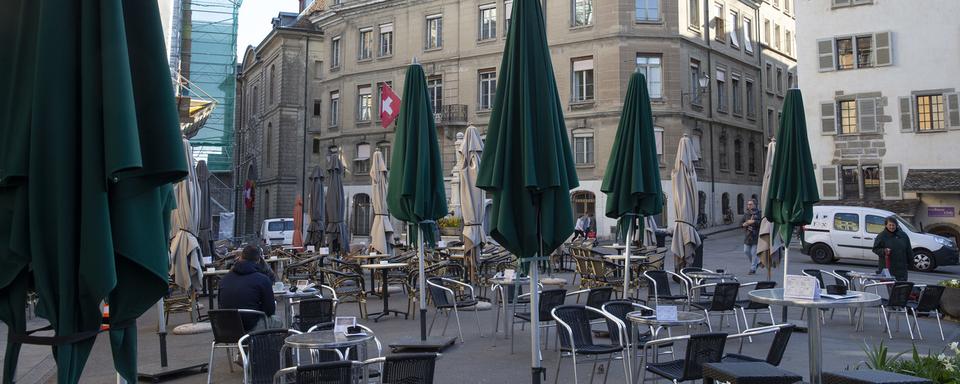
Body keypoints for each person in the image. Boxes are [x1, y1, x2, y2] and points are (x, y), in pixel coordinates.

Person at [218, 245, 277, 332]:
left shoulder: (224, 279)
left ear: (240, 257)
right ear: (258, 260)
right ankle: (265, 345)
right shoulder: (263, 279)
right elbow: (270, 310)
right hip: (251, 327)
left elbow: (220, 305)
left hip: (227, 329)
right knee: (277, 321)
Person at [872, 216, 911, 281]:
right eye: (890, 225)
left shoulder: (903, 235)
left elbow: (908, 250)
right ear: (886, 225)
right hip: (888, 267)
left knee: (902, 287)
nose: (892, 227)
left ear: (896, 225)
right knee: (892, 288)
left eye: (893, 225)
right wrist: (884, 251)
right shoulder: (881, 236)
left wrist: (910, 263)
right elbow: (875, 249)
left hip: (901, 268)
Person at [741, 199, 761, 274]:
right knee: (746, 251)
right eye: (748, 204)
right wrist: (744, 224)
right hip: (748, 236)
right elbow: (741, 223)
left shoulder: (759, 213)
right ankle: (756, 263)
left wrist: (754, 221)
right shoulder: (746, 214)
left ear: (755, 205)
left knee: (754, 253)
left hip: (756, 236)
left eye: (750, 204)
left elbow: (761, 222)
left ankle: (753, 269)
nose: (749, 206)